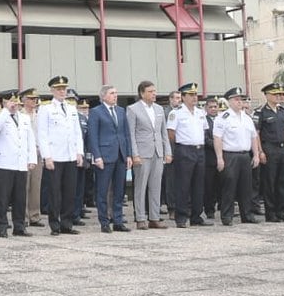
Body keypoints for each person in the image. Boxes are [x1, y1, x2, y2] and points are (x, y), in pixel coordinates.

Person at [38, 76, 84, 236]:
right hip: (55, 156)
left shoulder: (71, 108)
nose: (62, 91)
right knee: (54, 192)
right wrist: (47, 156)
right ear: (52, 90)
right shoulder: (46, 108)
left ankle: (67, 223)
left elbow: (77, 132)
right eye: (58, 89)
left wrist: (79, 152)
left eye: (64, 88)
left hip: (70, 155)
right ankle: (54, 224)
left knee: (70, 191)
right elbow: (42, 134)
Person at [0, 89, 36, 238]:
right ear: (4, 102)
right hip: (4, 163)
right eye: (11, 101)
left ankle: (19, 226)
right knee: (3, 197)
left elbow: (30, 139)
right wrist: (6, 111)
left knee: (20, 198)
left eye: (16, 102)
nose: (14, 104)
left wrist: (32, 159)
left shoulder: (24, 118)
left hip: (20, 163)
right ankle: (2, 227)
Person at [126, 80, 171, 230]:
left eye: (154, 91)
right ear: (142, 93)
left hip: (157, 152)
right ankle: (140, 218)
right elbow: (131, 134)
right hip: (142, 153)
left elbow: (163, 132)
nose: (154, 94)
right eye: (151, 91)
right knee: (140, 186)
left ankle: (154, 217)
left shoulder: (159, 109)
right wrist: (134, 154)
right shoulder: (133, 109)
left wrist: (167, 152)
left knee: (156, 186)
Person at [212, 87, 260, 226]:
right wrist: (219, 157)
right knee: (229, 186)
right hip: (230, 155)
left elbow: (253, 138)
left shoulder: (247, 118)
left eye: (241, 99)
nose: (240, 102)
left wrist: (256, 155)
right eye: (236, 100)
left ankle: (247, 214)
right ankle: (227, 216)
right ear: (229, 102)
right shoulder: (223, 118)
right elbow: (217, 138)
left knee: (246, 187)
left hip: (245, 155)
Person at [87, 84, 132, 233]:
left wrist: (128, 154)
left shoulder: (120, 111)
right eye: (112, 93)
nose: (115, 95)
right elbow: (92, 136)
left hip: (120, 154)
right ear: (104, 96)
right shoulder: (96, 112)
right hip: (104, 156)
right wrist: (97, 156)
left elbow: (126, 134)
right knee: (102, 190)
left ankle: (118, 220)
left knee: (119, 190)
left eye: (116, 93)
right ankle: (104, 221)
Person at [166, 82, 211, 228]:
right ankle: (181, 217)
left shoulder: (200, 112)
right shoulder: (176, 113)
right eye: (191, 95)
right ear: (183, 97)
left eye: (195, 95)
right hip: (184, 150)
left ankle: (196, 216)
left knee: (199, 185)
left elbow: (204, 130)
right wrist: (181, 146)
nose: (194, 98)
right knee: (183, 185)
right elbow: (171, 134)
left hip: (199, 150)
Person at [256, 83, 284, 223]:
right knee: (270, 182)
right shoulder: (261, 112)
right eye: (274, 94)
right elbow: (256, 133)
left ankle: (280, 211)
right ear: (267, 95)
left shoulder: (283, 111)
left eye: (279, 94)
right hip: (269, 149)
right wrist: (260, 151)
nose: (277, 97)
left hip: (282, 149)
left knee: (282, 182)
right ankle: (270, 213)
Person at [21, 88, 44, 228]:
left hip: (38, 153)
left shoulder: (40, 114)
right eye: (31, 99)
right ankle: (22, 216)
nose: (34, 101)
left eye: (35, 99)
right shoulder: (19, 114)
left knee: (36, 185)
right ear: (24, 100)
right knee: (24, 185)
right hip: (24, 153)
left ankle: (34, 215)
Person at [201, 96, 222, 221]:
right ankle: (209, 210)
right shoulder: (204, 120)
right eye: (211, 107)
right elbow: (205, 138)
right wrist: (218, 144)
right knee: (209, 186)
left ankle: (223, 207)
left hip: (223, 157)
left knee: (221, 185)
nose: (213, 109)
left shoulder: (222, 120)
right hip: (209, 158)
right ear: (206, 108)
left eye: (215, 107)